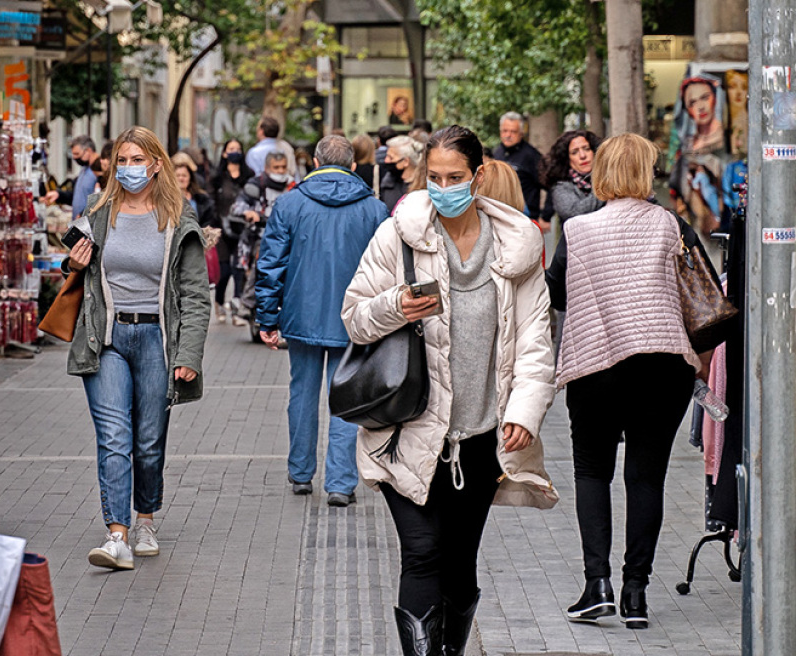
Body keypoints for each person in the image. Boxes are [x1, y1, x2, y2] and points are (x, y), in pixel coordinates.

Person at [342, 125, 557, 655]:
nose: (443, 187)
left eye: (455, 177)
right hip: (407, 432)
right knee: (421, 553)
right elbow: (353, 318)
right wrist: (394, 305)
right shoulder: (398, 236)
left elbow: (535, 340)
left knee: (460, 565)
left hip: (481, 440)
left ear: (478, 176)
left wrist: (525, 411)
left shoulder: (517, 249)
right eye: (434, 177)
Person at [545, 133, 702, 631]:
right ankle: (636, 592)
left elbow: (555, 290)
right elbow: (703, 296)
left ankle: (597, 586)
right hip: (663, 365)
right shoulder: (673, 226)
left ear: (602, 173)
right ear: (647, 173)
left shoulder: (580, 229)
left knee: (592, 472)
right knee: (646, 477)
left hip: (596, 364)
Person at [63, 126, 209, 571]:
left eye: (136, 160)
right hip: (105, 338)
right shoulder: (98, 210)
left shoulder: (178, 218)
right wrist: (74, 263)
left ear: (156, 164)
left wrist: (189, 355)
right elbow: (75, 269)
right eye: (121, 160)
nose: (127, 168)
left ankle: (144, 518)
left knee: (149, 441)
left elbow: (196, 293)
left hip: (154, 339)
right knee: (114, 437)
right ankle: (117, 535)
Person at [254, 135, 386, 507]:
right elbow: (386, 268)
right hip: (353, 318)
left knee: (302, 393)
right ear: (354, 165)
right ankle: (340, 483)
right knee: (345, 399)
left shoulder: (290, 203)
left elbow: (271, 264)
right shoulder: (374, 210)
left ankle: (300, 473)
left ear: (313, 161)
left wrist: (267, 316)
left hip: (301, 314)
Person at [231, 151, 296, 330]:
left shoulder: (293, 186)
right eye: (276, 167)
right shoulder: (255, 185)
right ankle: (247, 301)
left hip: (288, 240)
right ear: (267, 168)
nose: (280, 171)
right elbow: (238, 206)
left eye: (283, 167)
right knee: (262, 262)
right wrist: (248, 213)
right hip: (259, 237)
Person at [210, 140, 254, 324]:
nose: (235, 152)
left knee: (239, 270)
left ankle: (237, 310)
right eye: (231, 149)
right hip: (221, 230)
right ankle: (219, 302)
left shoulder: (249, 176)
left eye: (238, 149)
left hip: (243, 230)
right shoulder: (217, 177)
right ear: (224, 153)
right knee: (225, 270)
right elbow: (211, 201)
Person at [538, 130, 604, 224]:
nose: (582, 156)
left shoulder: (609, 177)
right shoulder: (561, 186)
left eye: (586, 149)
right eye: (574, 152)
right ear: (567, 159)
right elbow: (573, 212)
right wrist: (604, 190)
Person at [491, 112, 544, 221]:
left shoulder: (532, 156)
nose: (508, 135)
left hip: (526, 219)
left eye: (513, 132)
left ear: (521, 133)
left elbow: (552, 184)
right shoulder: (496, 153)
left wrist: (546, 216)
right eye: (505, 131)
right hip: (499, 217)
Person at [380, 135, 426, 215]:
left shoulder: (423, 187)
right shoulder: (388, 183)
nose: (386, 160)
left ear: (406, 161)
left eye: (391, 157)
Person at [246, 116, 300, 182]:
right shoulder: (286, 147)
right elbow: (295, 174)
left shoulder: (254, 153)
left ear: (261, 131)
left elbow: (255, 177)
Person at [171, 152, 217, 230]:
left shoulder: (202, 200)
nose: (181, 179)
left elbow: (209, 223)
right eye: (178, 175)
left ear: (190, 178)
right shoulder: (165, 199)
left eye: (184, 175)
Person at [70, 135, 100, 219]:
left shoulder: (98, 171)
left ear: (88, 151)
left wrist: (83, 214)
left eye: (77, 154)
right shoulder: (84, 169)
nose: (75, 158)